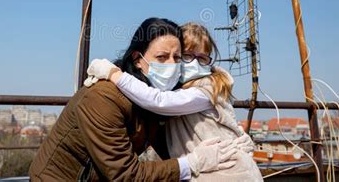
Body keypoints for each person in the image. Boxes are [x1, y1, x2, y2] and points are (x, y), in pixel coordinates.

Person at [29, 18, 243, 181]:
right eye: (161, 57)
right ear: (137, 60)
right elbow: (126, 175)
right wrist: (193, 162)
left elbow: (166, 143)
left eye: (177, 58)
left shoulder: (152, 96)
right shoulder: (103, 98)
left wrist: (224, 148)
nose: (171, 64)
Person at [87, 22, 263, 181]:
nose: (194, 63)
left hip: (229, 171)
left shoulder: (206, 89)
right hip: (209, 171)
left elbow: (159, 101)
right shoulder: (181, 89)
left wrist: (115, 75)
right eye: (186, 56)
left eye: (202, 58)